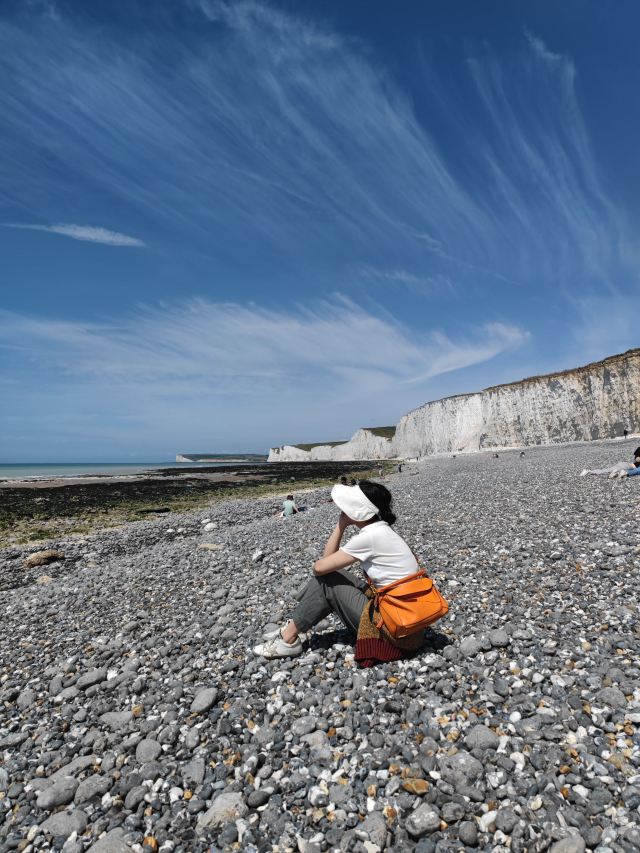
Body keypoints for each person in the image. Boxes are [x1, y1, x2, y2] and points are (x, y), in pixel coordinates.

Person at [254, 481, 425, 666]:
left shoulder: (370, 537)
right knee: (332, 576)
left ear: (358, 512)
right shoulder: (383, 530)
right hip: (409, 624)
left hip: (394, 634)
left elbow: (320, 567)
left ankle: (289, 639)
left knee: (328, 581)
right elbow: (326, 566)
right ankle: (297, 623)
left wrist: (341, 525)